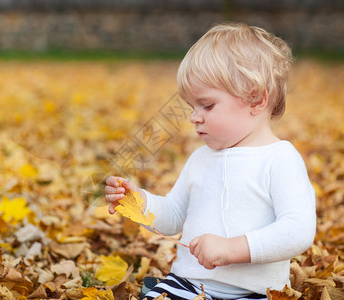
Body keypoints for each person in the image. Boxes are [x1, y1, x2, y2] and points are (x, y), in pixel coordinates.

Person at [105, 22, 316, 300]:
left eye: (207, 105)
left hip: (256, 293)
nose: (194, 116)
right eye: (192, 107)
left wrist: (232, 249)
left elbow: (298, 230)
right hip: (188, 285)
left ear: (256, 99)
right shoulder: (200, 159)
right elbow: (173, 216)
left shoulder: (279, 158)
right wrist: (139, 202)